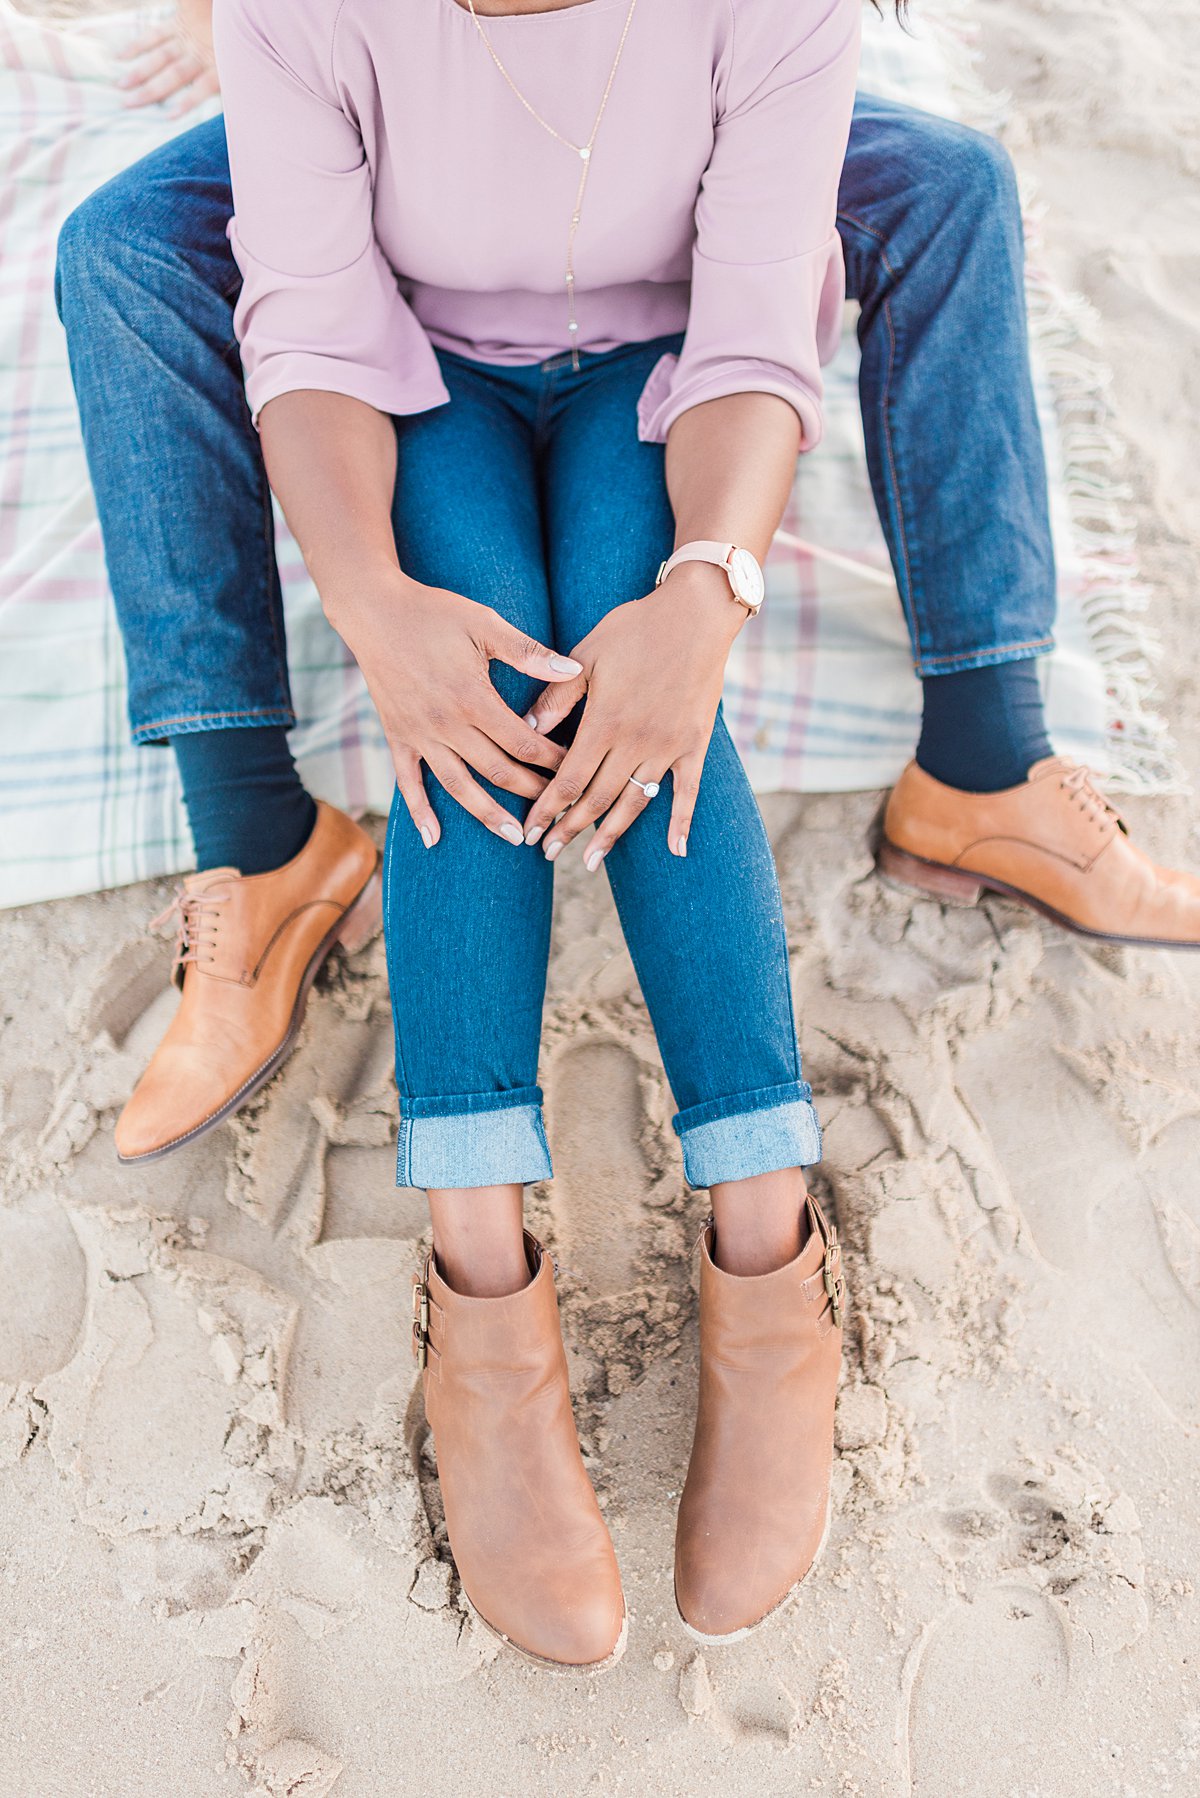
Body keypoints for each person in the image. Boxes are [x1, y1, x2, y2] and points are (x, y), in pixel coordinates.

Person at [52, 0, 1199, 1666]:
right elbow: (307, 328)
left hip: (650, 338)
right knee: (467, 674)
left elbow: (749, 338)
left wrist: (709, 591)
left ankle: (768, 1242)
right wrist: (370, 605)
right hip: (425, 339)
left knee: (649, 641)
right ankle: (477, 1282)